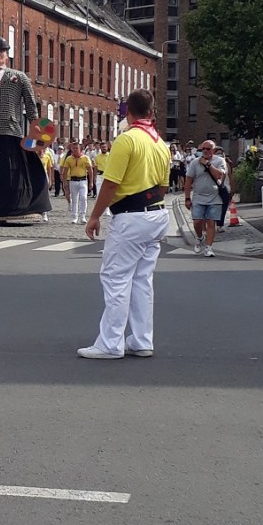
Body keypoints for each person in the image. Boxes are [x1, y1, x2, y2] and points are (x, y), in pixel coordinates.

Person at [79, 89, 170, 359]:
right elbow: (164, 187)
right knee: (142, 280)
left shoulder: (127, 139)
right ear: (151, 112)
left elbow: (110, 183)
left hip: (131, 216)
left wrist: (95, 216)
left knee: (116, 278)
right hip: (157, 213)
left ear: (127, 111)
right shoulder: (160, 143)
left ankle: (110, 343)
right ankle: (142, 339)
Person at [0, 37, 50, 220]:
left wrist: (37, 133)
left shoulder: (20, 77)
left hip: (11, 131)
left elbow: (31, 107)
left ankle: (16, 208)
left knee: (13, 171)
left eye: (2, 51)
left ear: (7, 55)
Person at [184, 140, 226, 257]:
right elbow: (188, 180)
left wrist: (208, 164)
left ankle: (208, 247)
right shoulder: (195, 163)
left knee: (211, 222)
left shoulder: (219, 161)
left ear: (214, 150)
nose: (205, 151)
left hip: (214, 197)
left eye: (208, 149)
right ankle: (199, 237)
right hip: (198, 197)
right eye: (203, 149)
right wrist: (187, 198)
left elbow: (219, 175)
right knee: (197, 221)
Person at [62, 142, 93, 224]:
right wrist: (65, 182)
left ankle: (83, 216)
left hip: (83, 180)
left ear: (80, 149)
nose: (75, 150)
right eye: (73, 148)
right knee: (74, 199)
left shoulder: (85, 158)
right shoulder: (69, 159)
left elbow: (90, 170)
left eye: (77, 148)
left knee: (83, 198)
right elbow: (65, 171)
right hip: (73, 180)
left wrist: (91, 182)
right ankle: (74, 217)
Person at [215, 147, 235, 232]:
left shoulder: (226, 164)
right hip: (215, 188)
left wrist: (233, 188)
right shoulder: (212, 164)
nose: (220, 155)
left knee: (223, 207)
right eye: (217, 153)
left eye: (221, 153)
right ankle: (214, 223)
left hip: (225, 188)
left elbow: (230, 176)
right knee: (215, 207)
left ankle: (220, 224)